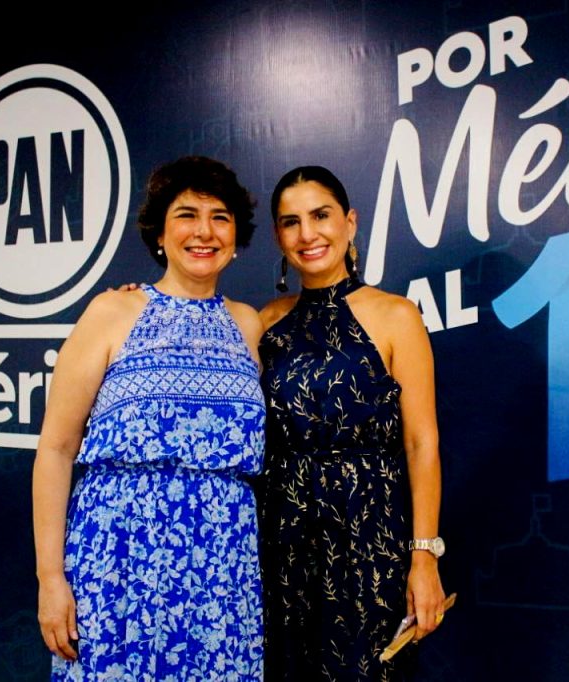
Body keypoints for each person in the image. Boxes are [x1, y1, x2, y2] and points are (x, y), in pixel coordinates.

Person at [32, 156, 267, 680]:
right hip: (116, 564)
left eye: (220, 217)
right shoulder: (112, 313)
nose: (204, 231)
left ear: (236, 236)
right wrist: (51, 579)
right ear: (160, 233)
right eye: (187, 215)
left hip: (222, 571)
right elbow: (56, 448)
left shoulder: (249, 324)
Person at [257, 166, 446, 681]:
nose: (308, 234)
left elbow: (421, 443)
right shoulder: (265, 322)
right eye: (291, 222)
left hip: (370, 538)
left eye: (321, 216)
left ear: (350, 222)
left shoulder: (397, 316)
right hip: (282, 539)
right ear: (278, 235)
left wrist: (424, 557)